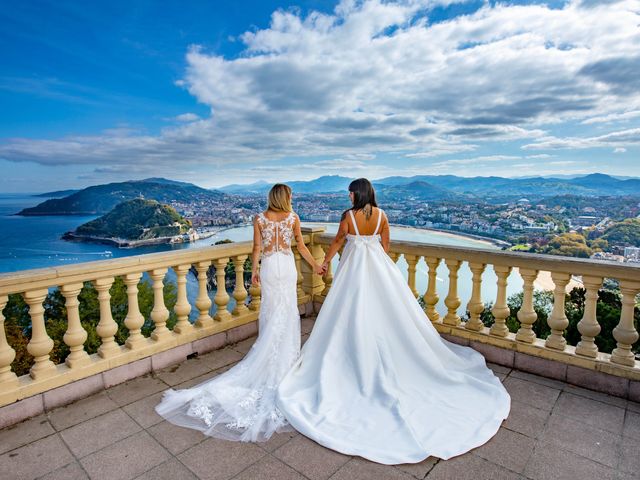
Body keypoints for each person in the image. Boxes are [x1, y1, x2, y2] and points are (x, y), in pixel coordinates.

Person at [276, 178, 511, 464]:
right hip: (378, 271)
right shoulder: (382, 216)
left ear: (356, 193)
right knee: (389, 314)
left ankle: (353, 355)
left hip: (353, 273)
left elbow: (338, 241)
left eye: (350, 192)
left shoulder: (347, 217)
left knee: (348, 315)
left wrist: (325, 262)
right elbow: (385, 247)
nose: (348, 195)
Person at [155, 183, 324, 442]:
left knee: (271, 311)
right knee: (287, 311)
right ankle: (288, 361)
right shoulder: (293, 218)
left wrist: (254, 271)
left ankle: (270, 355)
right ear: (286, 198)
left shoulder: (259, 218)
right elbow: (301, 247)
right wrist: (316, 266)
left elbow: (256, 249)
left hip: (269, 267)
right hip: (287, 266)